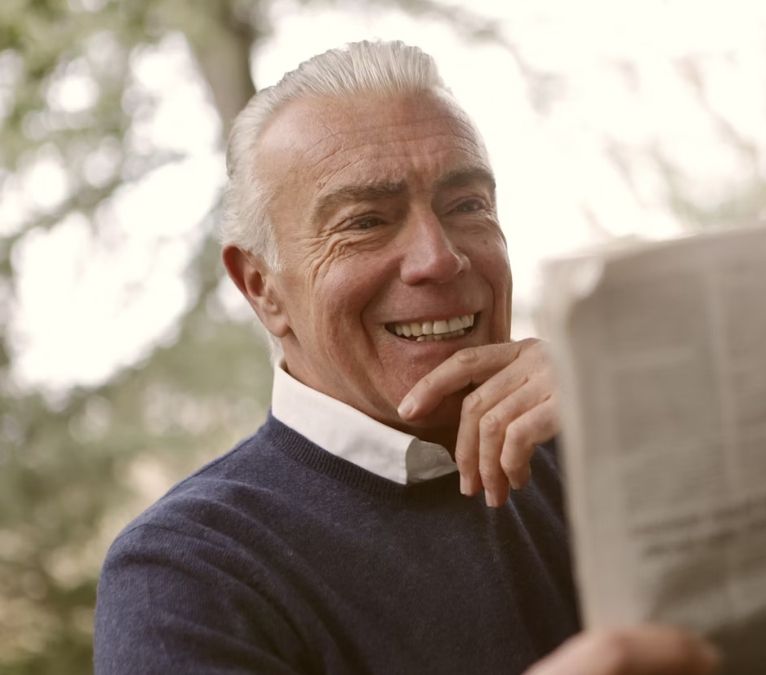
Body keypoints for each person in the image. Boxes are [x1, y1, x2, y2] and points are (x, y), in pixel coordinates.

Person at [94, 40, 715, 675]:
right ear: (262, 287)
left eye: (467, 205)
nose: (439, 257)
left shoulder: (601, 447)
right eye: (365, 221)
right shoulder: (187, 571)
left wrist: (642, 415)